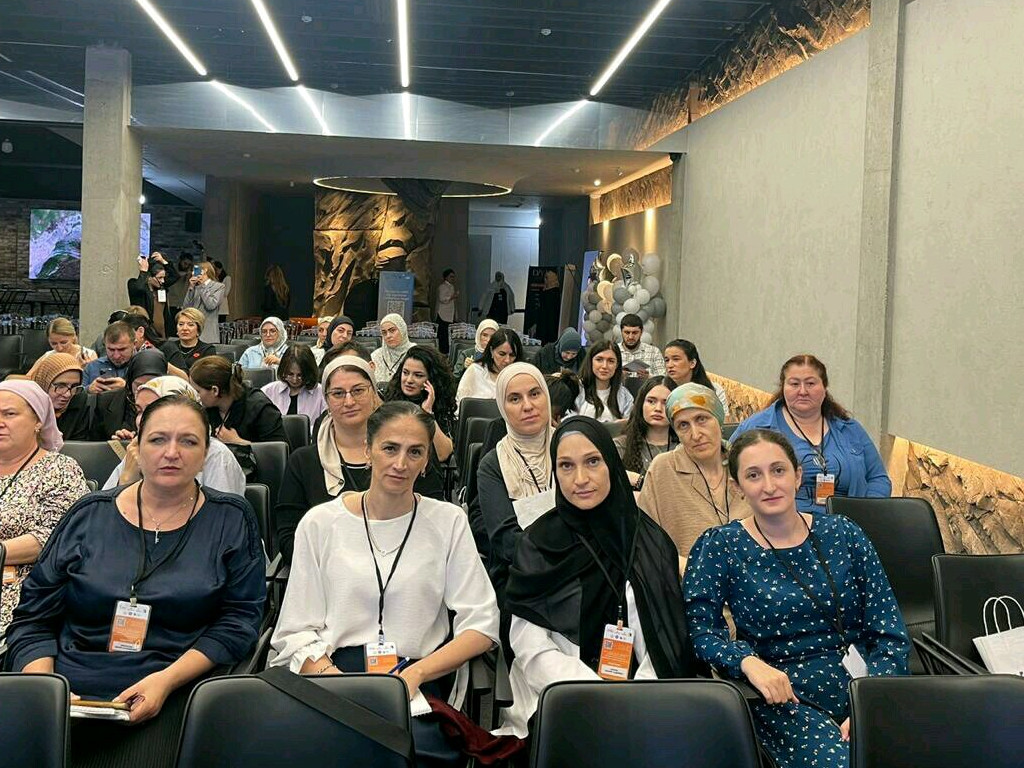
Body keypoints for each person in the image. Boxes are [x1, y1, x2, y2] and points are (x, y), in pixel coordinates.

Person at [6, 394, 265, 768]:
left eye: (188, 441)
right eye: (158, 439)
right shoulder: (89, 514)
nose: (171, 453)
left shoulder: (230, 518)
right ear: (137, 449)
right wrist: (47, 691)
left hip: (174, 687)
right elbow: (33, 618)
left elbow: (239, 622)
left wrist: (167, 681)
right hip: (66, 682)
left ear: (206, 453)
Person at [269, 402, 499, 767]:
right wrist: (341, 684)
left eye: (415, 452)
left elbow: (482, 625)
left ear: (426, 462)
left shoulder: (449, 522)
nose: (401, 463)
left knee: (405, 755)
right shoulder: (320, 523)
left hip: (418, 676)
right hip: (333, 675)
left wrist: (415, 675)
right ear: (368, 450)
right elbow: (295, 629)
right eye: (390, 448)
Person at [684, 428, 909, 768]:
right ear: (737, 487)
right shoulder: (721, 546)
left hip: (863, 684)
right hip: (783, 695)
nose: (769, 485)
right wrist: (747, 662)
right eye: (753, 475)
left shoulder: (844, 534)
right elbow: (700, 632)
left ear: (798, 475)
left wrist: (873, 699)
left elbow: (888, 630)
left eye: (778, 470)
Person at [498, 416, 699, 738]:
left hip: (643, 699)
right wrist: (596, 694)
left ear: (611, 465)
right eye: (566, 466)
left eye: (592, 461)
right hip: (560, 695)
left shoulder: (649, 542)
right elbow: (530, 648)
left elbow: (665, 639)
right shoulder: (538, 544)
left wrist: (637, 697)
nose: (580, 479)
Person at [276, 355, 443, 565]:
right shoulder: (303, 462)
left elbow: (432, 519)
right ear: (326, 400)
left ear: (373, 393)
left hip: (405, 566)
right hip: (329, 572)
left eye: (358, 391)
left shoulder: (409, 452)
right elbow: (290, 539)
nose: (349, 402)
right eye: (338, 393)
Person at [731, 354, 891, 513]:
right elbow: (727, 473)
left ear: (824, 388)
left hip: (846, 523)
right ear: (783, 387)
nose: (803, 391)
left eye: (810, 383)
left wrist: (864, 512)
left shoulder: (850, 429)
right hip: (781, 522)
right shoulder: (757, 427)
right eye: (794, 384)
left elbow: (878, 478)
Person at [0, 380, 89, 633]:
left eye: (9, 414)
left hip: (24, 587)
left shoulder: (60, 469)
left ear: (38, 420)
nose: (0, 422)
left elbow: (57, 537)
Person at [639, 383, 751, 565]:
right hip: (685, 576)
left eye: (701, 419)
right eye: (683, 425)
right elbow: (646, 541)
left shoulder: (747, 464)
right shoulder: (663, 469)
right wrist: (688, 568)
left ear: (718, 420)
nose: (696, 434)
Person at [473, 363, 553, 608]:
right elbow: (506, 540)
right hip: (518, 576)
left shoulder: (572, 448)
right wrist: (560, 562)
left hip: (581, 571)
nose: (527, 406)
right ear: (502, 407)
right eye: (515, 399)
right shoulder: (493, 464)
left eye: (535, 394)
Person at [102, 377, 246, 497]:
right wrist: (127, 480)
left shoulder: (216, 455)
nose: (141, 420)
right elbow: (102, 512)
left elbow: (224, 516)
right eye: (139, 411)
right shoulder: (138, 450)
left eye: (152, 410)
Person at [382, 345, 456, 464]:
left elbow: (443, 455)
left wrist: (427, 413)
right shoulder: (386, 400)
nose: (409, 380)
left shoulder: (440, 404)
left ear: (432, 379)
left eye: (418, 375)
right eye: (405, 373)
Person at [189, 356, 287, 445]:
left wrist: (238, 442)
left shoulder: (261, 408)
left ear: (215, 390)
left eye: (197, 391)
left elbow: (278, 451)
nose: (195, 396)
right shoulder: (206, 409)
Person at [91, 348, 170, 441]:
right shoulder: (105, 402)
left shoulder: (174, 405)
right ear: (130, 382)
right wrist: (121, 443)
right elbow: (94, 444)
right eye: (139, 385)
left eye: (152, 385)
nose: (144, 390)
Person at [615, 375, 676, 476]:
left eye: (665, 403)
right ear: (641, 404)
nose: (658, 408)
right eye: (651, 401)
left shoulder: (685, 447)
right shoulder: (621, 445)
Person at [28, 352, 92, 441]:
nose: (68, 394)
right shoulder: (26, 405)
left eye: (74, 386)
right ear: (44, 383)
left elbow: (79, 444)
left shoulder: (79, 400)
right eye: (61, 386)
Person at [260, 345, 326, 428]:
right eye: (290, 374)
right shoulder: (268, 391)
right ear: (283, 370)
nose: (295, 380)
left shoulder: (321, 393)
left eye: (300, 375)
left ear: (309, 373)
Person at [455, 328, 521, 406]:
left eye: (512, 355)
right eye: (502, 354)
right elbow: (461, 404)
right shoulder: (476, 371)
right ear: (491, 351)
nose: (507, 360)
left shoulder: (521, 376)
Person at [664, 339, 728, 413]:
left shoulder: (714, 390)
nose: (670, 365)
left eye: (676, 359)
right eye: (667, 360)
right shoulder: (662, 390)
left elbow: (724, 419)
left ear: (692, 363)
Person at [575, 340, 633, 423]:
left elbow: (630, 424)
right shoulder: (576, 389)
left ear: (617, 365)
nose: (604, 366)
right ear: (590, 361)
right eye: (599, 360)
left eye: (611, 361)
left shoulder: (624, 395)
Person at [126, 251, 178, 337]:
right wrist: (143, 272)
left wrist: (164, 262)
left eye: (163, 277)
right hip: (146, 331)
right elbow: (139, 288)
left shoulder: (161, 287)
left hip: (163, 332)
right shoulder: (134, 284)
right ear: (149, 277)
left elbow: (175, 276)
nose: (163, 281)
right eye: (160, 278)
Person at [83, 321, 136, 392]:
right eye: (111, 350)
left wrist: (127, 387)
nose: (116, 356)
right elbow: (76, 395)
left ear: (134, 344)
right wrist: (88, 390)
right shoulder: (92, 367)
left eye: (122, 349)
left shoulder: (144, 366)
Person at [182, 261, 226, 345]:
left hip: (208, 334)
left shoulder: (219, 286)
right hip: (193, 333)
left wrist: (202, 286)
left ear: (205, 270)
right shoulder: (195, 286)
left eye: (197, 270)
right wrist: (191, 288)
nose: (193, 273)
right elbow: (186, 308)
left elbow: (211, 305)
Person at [29, 317, 97, 369]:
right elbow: (29, 377)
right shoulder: (48, 357)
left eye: (64, 342)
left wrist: (87, 370)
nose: (59, 348)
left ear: (73, 336)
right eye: (54, 344)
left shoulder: (89, 356)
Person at [161, 308, 216, 372]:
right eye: (181, 324)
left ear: (198, 330)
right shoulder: (168, 347)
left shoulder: (207, 350)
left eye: (190, 325)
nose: (184, 328)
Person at [370, 313, 415, 384]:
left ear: (402, 330)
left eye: (392, 330)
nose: (388, 336)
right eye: (384, 333)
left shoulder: (415, 352)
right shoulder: (376, 356)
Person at [618, 313, 666, 378]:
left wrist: (649, 377)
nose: (630, 337)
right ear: (621, 331)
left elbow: (663, 378)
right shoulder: (614, 351)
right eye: (627, 332)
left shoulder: (654, 352)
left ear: (641, 332)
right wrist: (618, 376)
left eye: (635, 333)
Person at [435, 268, 458, 354]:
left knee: (448, 334)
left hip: (450, 314)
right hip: (443, 314)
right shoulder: (442, 286)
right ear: (446, 277)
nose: (453, 279)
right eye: (451, 277)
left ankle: (447, 351)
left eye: (453, 277)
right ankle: (442, 351)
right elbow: (442, 299)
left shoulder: (452, 286)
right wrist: (452, 296)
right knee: (443, 334)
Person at [166, 252, 193, 317]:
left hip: (183, 305)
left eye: (189, 264)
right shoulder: (172, 272)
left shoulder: (189, 275)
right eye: (185, 263)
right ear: (180, 261)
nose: (186, 266)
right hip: (171, 304)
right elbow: (177, 275)